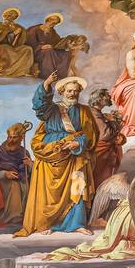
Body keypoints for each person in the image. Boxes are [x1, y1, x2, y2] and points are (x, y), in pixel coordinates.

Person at [16, 74, 99, 235]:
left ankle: (76, 224)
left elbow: (90, 134)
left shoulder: (84, 111)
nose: (72, 94)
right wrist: (46, 84)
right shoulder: (52, 109)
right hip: (52, 152)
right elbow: (39, 106)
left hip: (75, 155)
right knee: (48, 192)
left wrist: (78, 143)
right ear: (61, 92)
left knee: (78, 186)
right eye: (69, 91)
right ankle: (47, 224)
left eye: (76, 91)